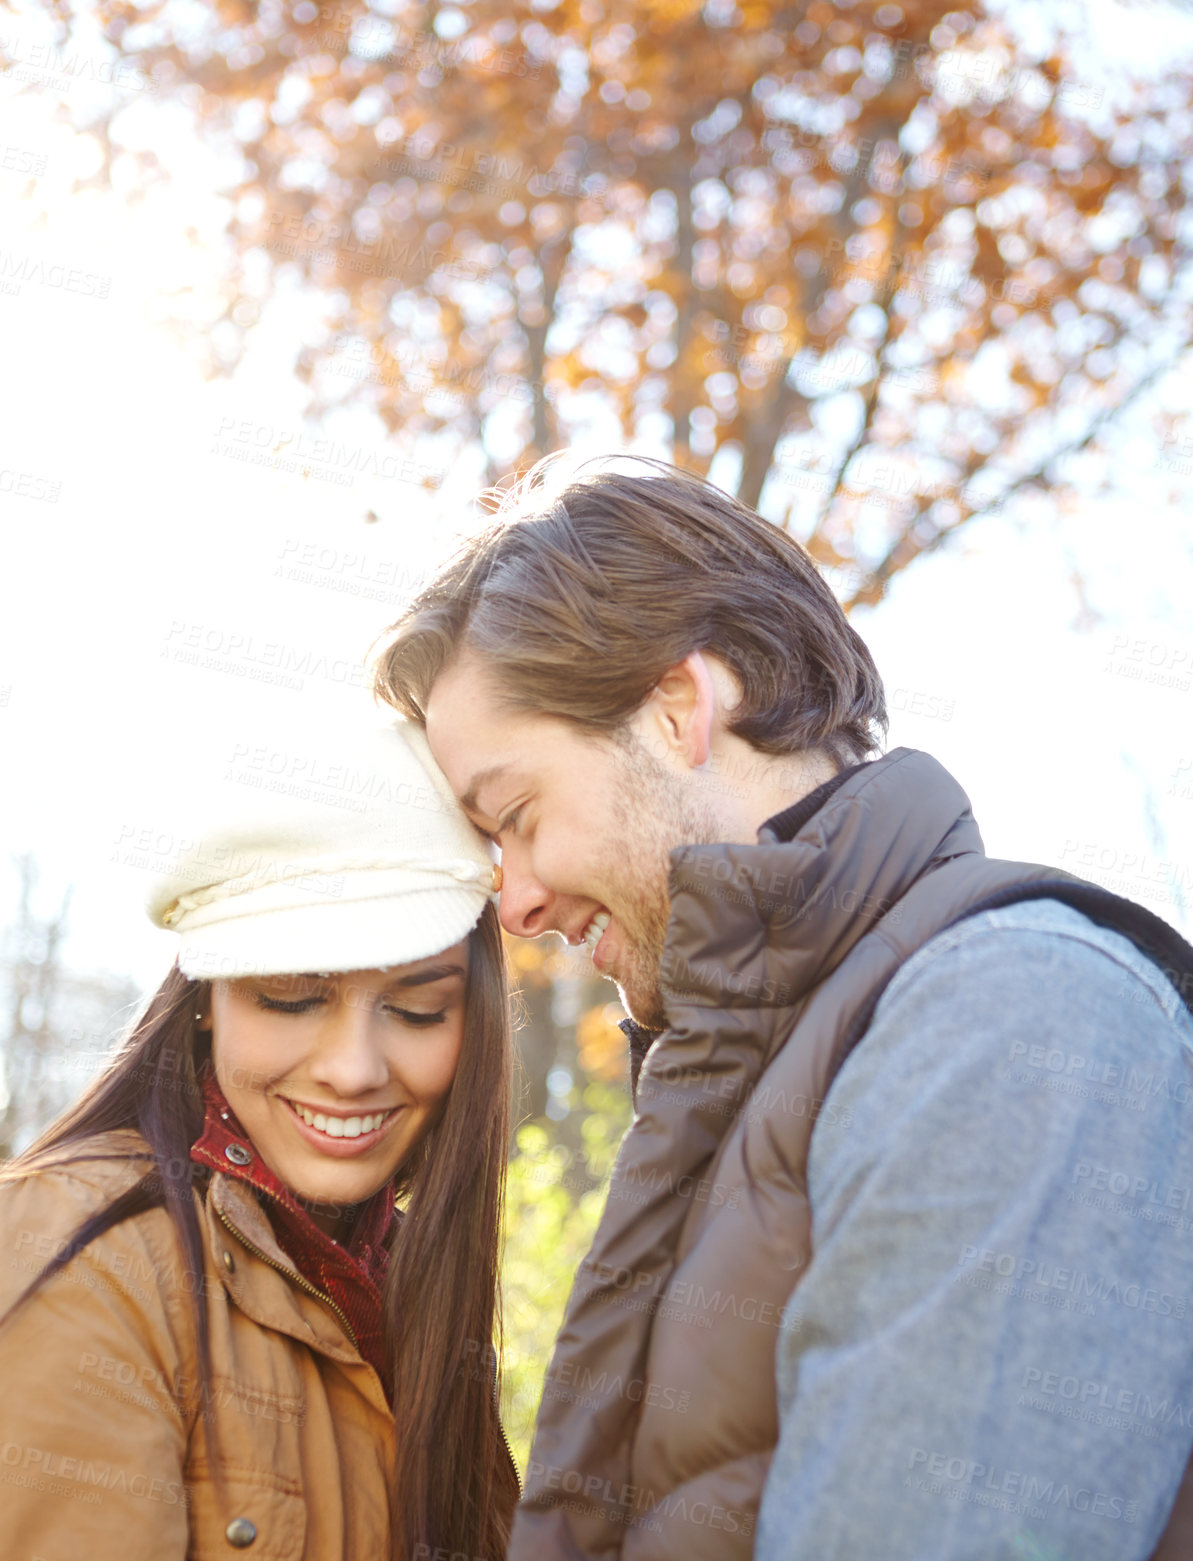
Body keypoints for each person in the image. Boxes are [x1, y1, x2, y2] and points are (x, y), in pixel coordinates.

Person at [371, 454, 1193, 1561]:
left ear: (677, 709)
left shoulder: (1012, 1015)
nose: (512, 902)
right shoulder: (761, 1062)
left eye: (515, 813)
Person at [0, 718, 519, 1561]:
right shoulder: (62, 1252)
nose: (351, 1069)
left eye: (418, 1008)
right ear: (206, 1002)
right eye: (290, 996)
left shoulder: (407, 1277)